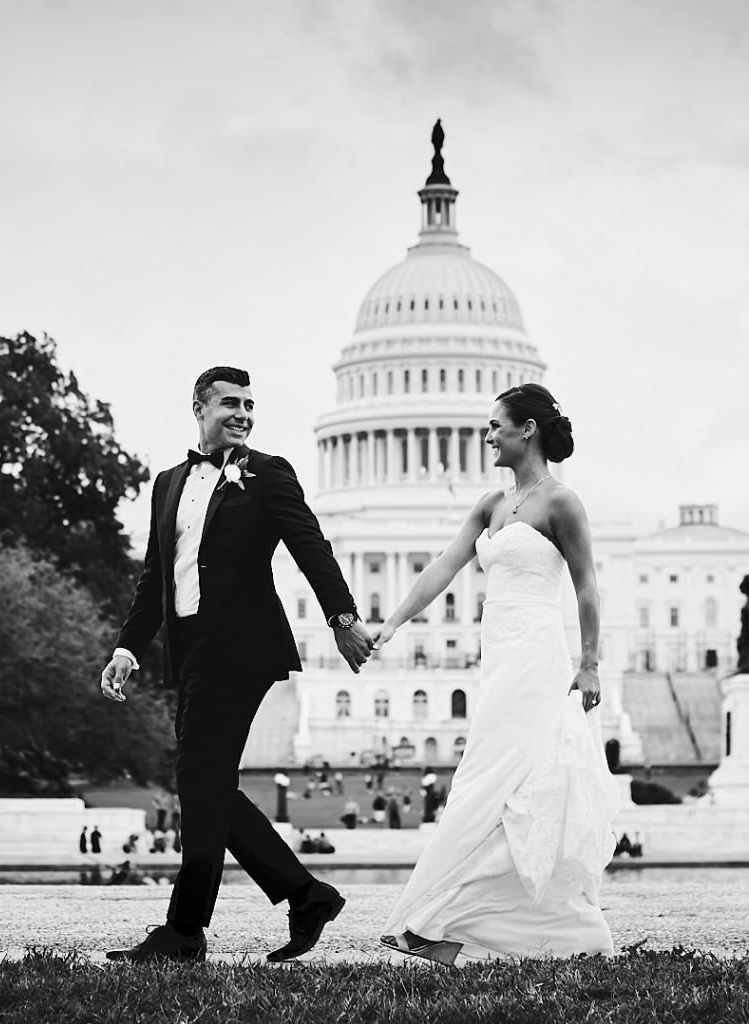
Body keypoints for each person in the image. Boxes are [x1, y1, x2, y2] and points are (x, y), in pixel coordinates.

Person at [100, 365, 373, 964]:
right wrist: (127, 648)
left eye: (249, 404)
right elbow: (156, 577)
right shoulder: (168, 484)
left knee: (199, 778)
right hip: (191, 648)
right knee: (207, 785)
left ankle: (185, 930)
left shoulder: (268, 473)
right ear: (199, 407)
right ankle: (305, 896)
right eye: (230, 403)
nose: (243, 414)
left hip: (242, 646)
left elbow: (310, 545)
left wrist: (342, 618)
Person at [375, 384, 619, 965]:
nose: (486, 436)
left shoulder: (562, 502)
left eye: (495, 425)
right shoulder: (491, 504)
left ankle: (446, 922)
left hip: (536, 655)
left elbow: (586, 586)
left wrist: (589, 664)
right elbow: (444, 566)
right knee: (485, 783)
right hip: (499, 654)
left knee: (515, 781)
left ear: (526, 429)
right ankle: (456, 921)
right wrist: (393, 623)